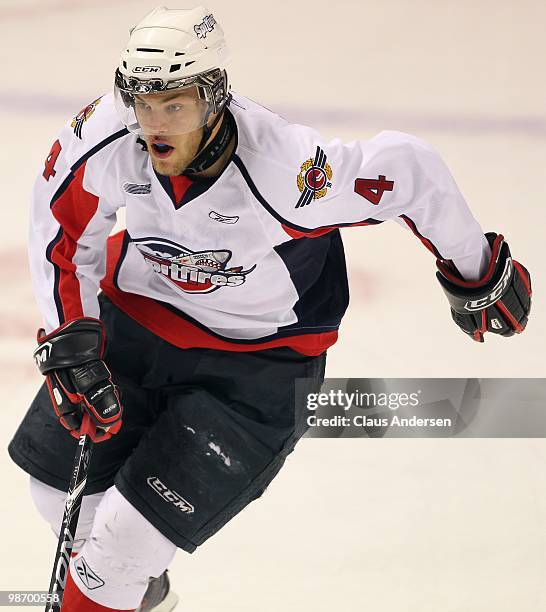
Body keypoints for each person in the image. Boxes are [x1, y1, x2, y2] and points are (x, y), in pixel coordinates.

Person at [8, 5, 532, 612]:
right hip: (134, 329)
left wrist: (477, 271)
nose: (152, 125)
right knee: (54, 494)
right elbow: (63, 229)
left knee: (118, 550)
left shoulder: (291, 171)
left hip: (255, 371)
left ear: (213, 98)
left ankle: (119, 583)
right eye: (142, 103)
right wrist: (72, 337)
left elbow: (408, 171)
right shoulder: (105, 136)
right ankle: (137, 592)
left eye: (173, 105)